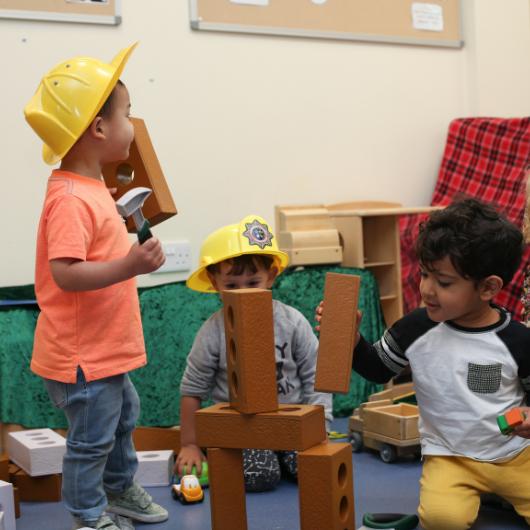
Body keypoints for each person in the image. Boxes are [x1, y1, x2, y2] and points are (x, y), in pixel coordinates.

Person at [24, 44, 168, 530]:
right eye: (127, 113)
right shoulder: (69, 198)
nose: (133, 124)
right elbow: (65, 272)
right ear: (99, 128)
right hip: (82, 357)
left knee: (125, 420)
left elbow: (95, 247)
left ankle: (120, 490)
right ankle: (88, 515)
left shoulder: (90, 188)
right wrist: (130, 265)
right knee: (90, 440)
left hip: (106, 348)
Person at [320, 198, 530, 529]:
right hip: (450, 459)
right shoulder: (415, 328)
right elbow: (376, 369)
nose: (427, 290)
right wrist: (352, 339)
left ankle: (495, 494)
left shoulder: (517, 340)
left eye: (443, 282)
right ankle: (482, 495)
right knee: (442, 521)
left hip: (516, 457)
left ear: (489, 287)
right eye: (424, 274)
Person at [176, 215, 333, 492]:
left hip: (291, 422)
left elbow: (315, 374)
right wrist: (189, 444)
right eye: (232, 286)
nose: (244, 293)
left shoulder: (292, 321)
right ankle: (269, 459)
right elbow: (193, 389)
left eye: (253, 283)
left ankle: (285, 456)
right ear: (214, 282)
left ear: (271, 276)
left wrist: (320, 428)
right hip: (242, 428)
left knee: (311, 469)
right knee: (261, 476)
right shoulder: (213, 331)